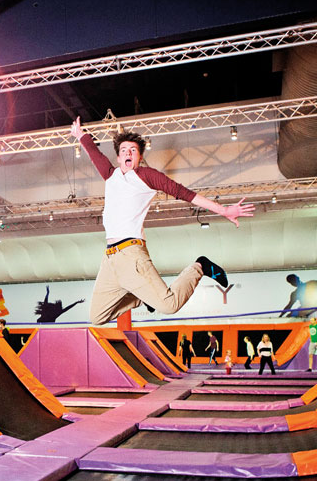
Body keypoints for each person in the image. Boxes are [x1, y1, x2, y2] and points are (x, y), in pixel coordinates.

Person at [70, 117, 255, 325]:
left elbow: (182, 192)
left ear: (139, 157)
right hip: (110, 259)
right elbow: (95, 154)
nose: (128, 153)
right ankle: (141, 296)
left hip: (132, 255)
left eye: (133, 150)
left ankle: (201, 266)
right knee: (97, 317)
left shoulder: (145, 176)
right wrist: (80, 135)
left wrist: (223, 210)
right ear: (119, 158)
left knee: (169, 305)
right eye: (124, 150)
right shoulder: (110, 175)